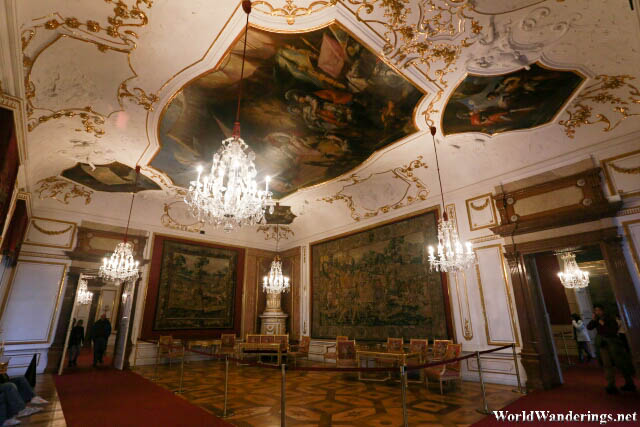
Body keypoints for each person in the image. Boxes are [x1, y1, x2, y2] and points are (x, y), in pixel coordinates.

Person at [587, 304, 636, 394]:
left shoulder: (610, 318)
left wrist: (603, 324)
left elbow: (612, 331)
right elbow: (589, 327)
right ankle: (611, 384)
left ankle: (629, 382)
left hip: (613, 344)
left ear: (603, 310)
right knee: (607, 364)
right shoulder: (597, 320)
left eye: (598, 310)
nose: (597, 312)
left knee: (621, 363)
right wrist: (594, 320)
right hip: (603, 345)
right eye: (595, 310)